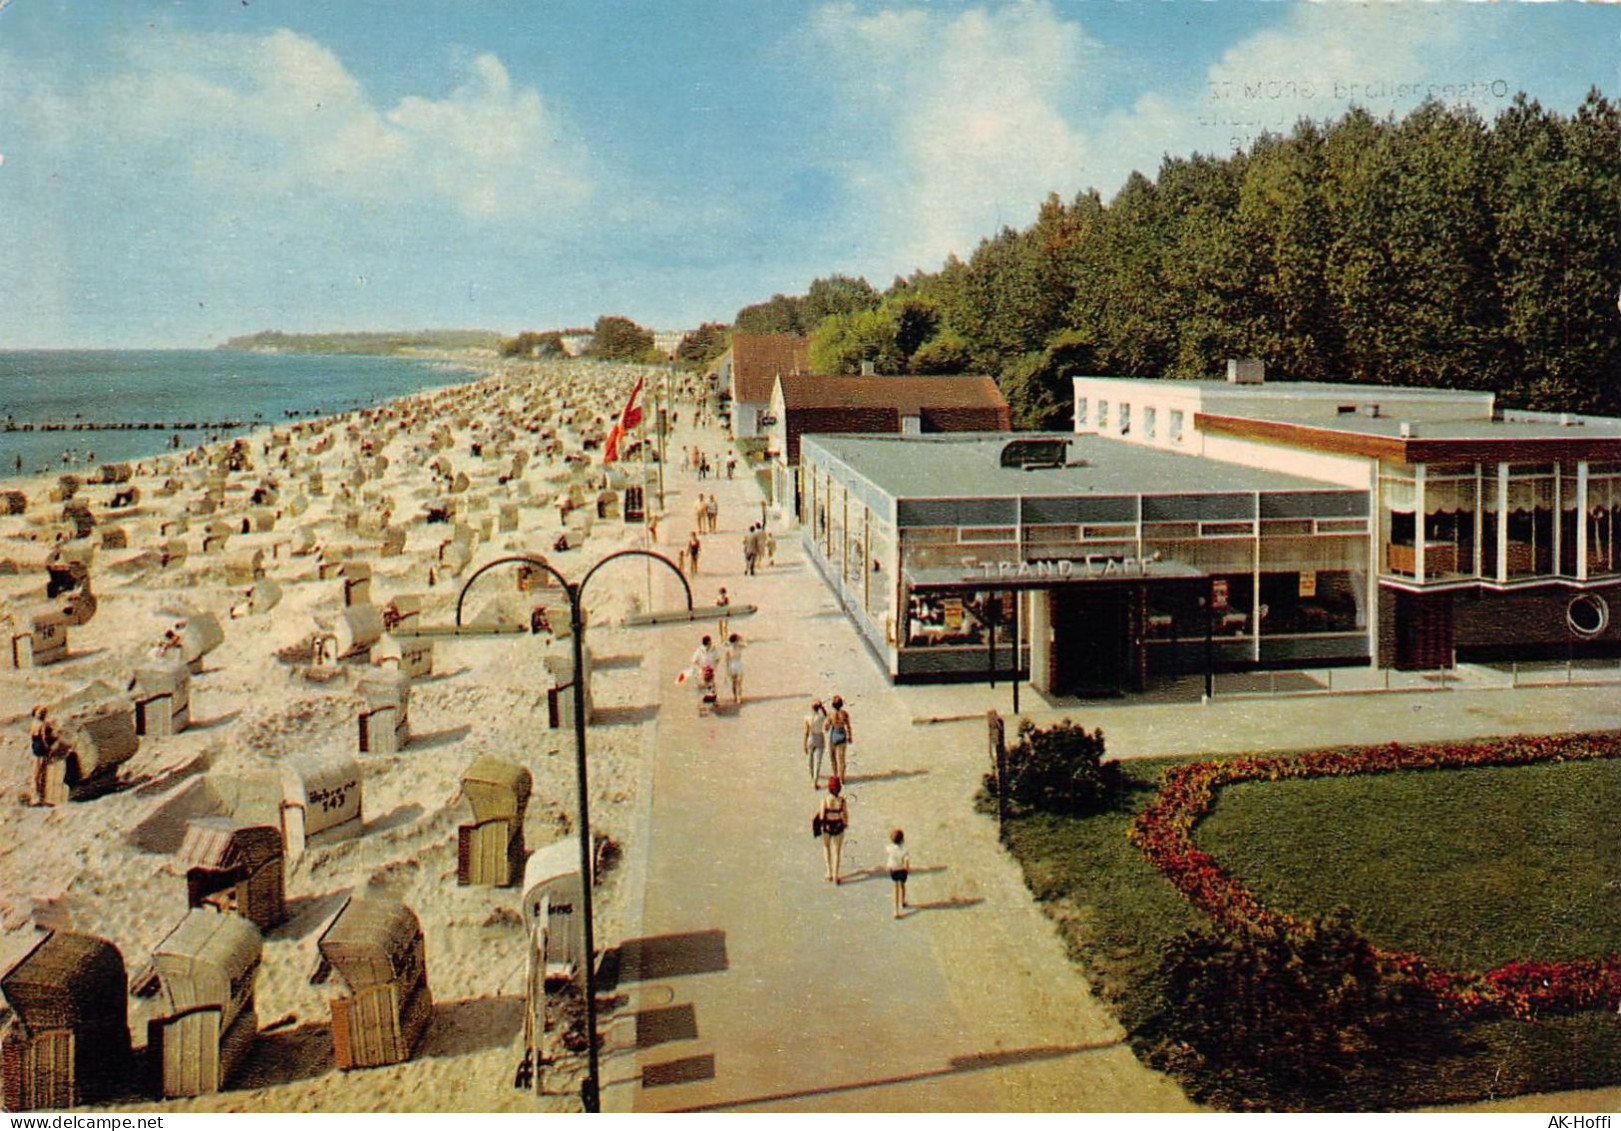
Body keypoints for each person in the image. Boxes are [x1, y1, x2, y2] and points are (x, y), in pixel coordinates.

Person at [817, 777, 849, 883]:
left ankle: (829, 872)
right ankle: (836, 875)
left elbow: (822, 816)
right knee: (837, 851)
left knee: (826, 848)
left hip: (827, 826)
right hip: (838, 825)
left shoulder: (825, 800)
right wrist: (845, 823)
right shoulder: (842, 800)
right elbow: (845, 814)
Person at [28, 705, 59, 807]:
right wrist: (48, 748)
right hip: (41, 747)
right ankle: (40, 798)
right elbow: (44, 737)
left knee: (37, 773)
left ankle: (38, 797)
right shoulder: (42, 724)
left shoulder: (34, 724)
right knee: (41, 773)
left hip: (36, 747)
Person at [804, 699, 829, 788]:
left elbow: (806, 732)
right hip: (819, 737)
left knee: (810, 759)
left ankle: (812, 777)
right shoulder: (821, 718)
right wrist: (822, 707)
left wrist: (804, 744)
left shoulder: (807, 717)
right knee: (818, 761)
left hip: (811, 737)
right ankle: (815, 781)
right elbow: (826, 715)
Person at [827, 695, 853, 781]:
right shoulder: (844, 714)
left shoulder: (831, 714)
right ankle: (842, 778)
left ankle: (835, 775)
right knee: (842, 759)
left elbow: (827, 727)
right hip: (842, 735)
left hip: (834, 735)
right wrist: (850, 736)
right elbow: (848, 726)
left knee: (833, 758)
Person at [886, 829, 911, 918]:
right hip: (902, 869)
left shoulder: (890, 848)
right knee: (902, 886)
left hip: (893, 869)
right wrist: (907, 869)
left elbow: (888, 851)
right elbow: (906, 861)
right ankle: (903, 901)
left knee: (895, 888)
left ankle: (896, 910)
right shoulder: (905, 849)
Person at [724, 633, 745, 705]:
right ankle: (735, 696)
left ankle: (739, 697)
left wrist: (740, 638)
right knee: (734, 683)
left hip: (738, 664)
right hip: (733, 665)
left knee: (739, 682)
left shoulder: (739, 646)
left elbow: (745, 643)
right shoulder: (729, 649)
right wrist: (727, 670)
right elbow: (727, 660)